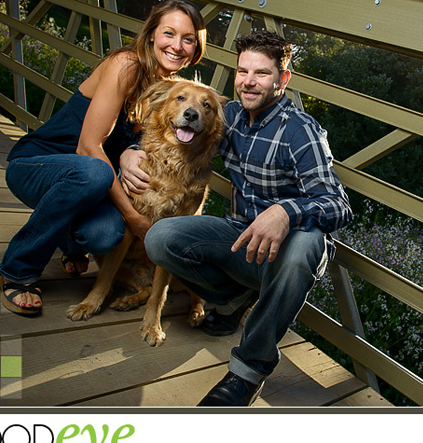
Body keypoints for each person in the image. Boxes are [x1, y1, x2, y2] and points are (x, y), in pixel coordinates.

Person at [135, 30, 353, 406]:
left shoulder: (301, 132)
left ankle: (247, 373)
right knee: (161, 238)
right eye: (242, 71)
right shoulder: (227, 116)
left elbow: (338, 204)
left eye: (262, 73)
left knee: (306, 243)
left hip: (287, 255)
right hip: (241, 240)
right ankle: (231, 301)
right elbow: (169, 130)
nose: (249, 82)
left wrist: (286, 211)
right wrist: (127, 153)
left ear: (282, 79)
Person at [0, 0, 206, 316]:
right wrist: (134, 218)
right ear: (151, 34)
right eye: (169, 33)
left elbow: (141, 143)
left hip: (85, 183)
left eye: (188, 39)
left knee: (106, 235)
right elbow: (88, 148)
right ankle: (17, 269)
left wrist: (130, 152)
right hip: (38, 165)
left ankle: (70, 241)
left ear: (196, 46)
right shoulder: (127, 64)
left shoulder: (172, 90)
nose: (177, 46)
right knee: (95, 174)